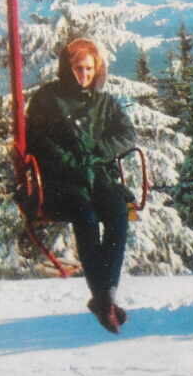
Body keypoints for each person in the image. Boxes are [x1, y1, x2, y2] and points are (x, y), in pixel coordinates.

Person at [25, 38, 136, 333]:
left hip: (98, 175)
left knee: (117, 213)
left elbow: (126, 134)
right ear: (66, 68)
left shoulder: (104, 102)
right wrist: (70, 161)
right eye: (77, 69)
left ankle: (105, 296)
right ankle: (104, 300)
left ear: (96, 69)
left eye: (88, 69)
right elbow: (37, 139)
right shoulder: (48, 99)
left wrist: (99, 152)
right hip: (60, 179)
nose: (83, 75)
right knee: (85, 217)